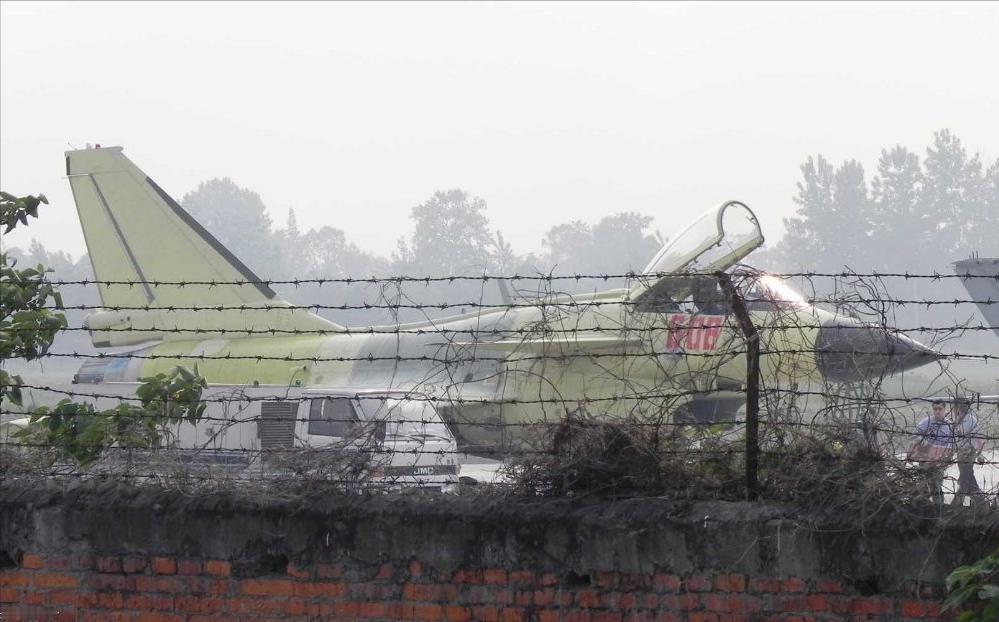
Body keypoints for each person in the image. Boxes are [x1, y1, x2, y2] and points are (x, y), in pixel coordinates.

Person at [907, 401, 955, 504]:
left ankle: (938, 510)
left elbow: (952, 445)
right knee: (923, 485)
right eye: (935, 409)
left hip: (939, 462)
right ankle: (923, 508)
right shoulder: (926, 422)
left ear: (944, 410)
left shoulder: (949, 425)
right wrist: (922, 441)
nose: (937, 411)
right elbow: (913, 436)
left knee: (936, 486)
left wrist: (947, 459)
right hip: (925, 460)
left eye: (940, 409)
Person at [951, 399, 985, 506]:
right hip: (960, 454)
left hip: (969, 453)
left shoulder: (971, 420)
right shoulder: (954, 421)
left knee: (965, 477)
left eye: (962, 408)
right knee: (969, 477)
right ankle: (981, 502)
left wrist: (979, 454)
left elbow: (978, 438)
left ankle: (956, 504)